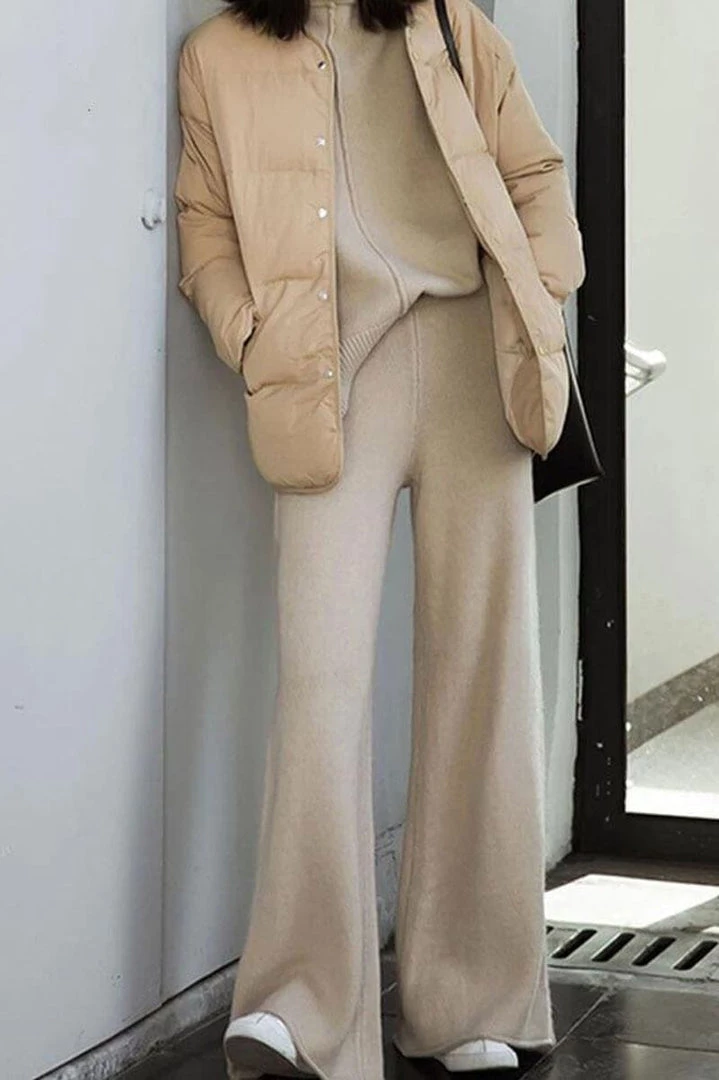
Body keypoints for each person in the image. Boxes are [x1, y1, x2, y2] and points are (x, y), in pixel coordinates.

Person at [173, 0, 586, 1076]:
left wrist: (541, 286)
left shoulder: (451, 22)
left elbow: (533, 171)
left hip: (471, 366)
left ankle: (472, 1002)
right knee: (318, 683)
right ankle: (304, 1009)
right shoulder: (218, 57)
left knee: (481, 676)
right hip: (326, 387)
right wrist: (251, 334)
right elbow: (203, 224)